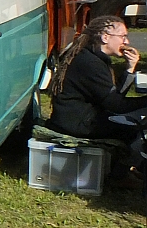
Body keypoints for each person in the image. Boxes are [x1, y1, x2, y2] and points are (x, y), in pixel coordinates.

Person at [47, 15, 147, 189]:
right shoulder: (90, 63)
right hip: (77, 122)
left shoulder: (94, 57)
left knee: (134, 120)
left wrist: (130, 69)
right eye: (123, 36)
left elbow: (113, 96)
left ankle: (130, 168)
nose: (126, 41)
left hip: (81, 115)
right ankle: (119, 176)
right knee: (135, 128)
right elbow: (116, 105)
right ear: (105, 37)